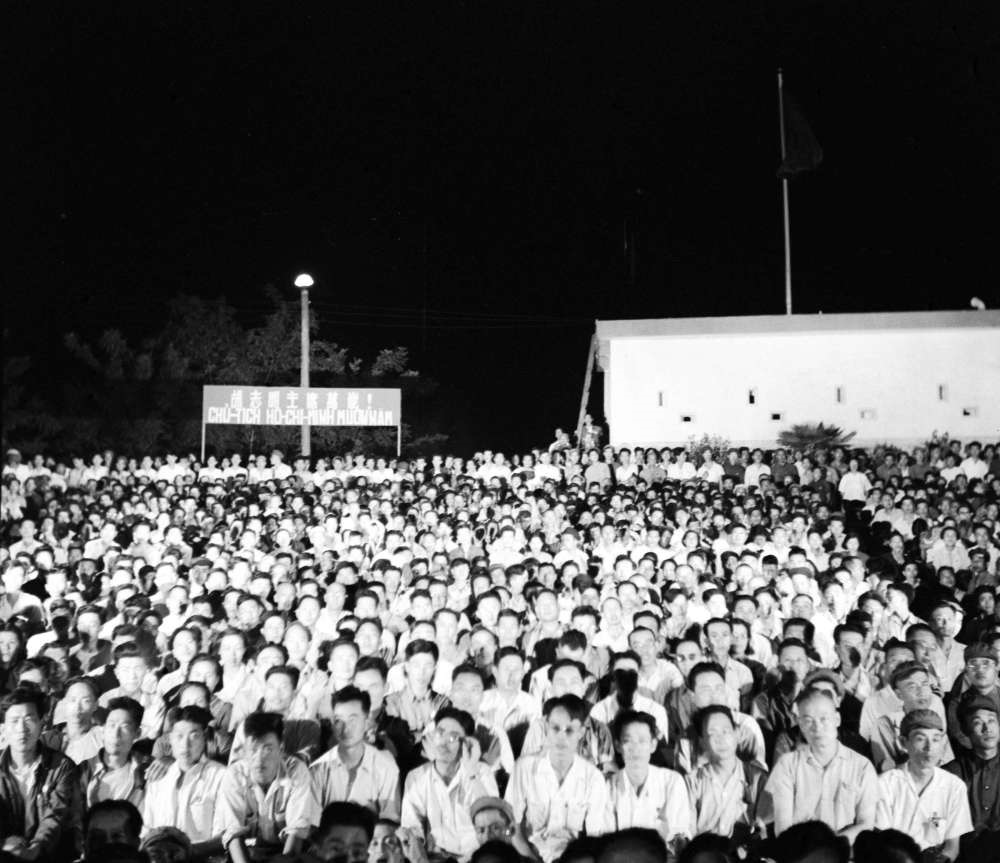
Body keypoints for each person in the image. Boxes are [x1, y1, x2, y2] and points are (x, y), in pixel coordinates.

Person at [504, 695, 610, 863]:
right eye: (555, 728)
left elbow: (595, 838)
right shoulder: (524, 768)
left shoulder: (593, 778)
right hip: (529, 856)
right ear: (546, 727)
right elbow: (511, 827)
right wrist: (532, 859)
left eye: (569, 730)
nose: (561, 737)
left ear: (581, 733)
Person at [764, 688, 878, 843]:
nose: (817, 727)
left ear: (837, 719)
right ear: (800, 724)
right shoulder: (787, 765)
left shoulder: (862, 766)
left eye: (824, 719)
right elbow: (782, 828)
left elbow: (865, 824)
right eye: (808, 720)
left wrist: (831, 846)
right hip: (799, 850)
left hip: (845, 850)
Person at [215, 712, 319, 862]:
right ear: (244, 751)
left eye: (268, 749)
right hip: (246, 853)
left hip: (285, 855)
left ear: (281, 749)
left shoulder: (297, 771)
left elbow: (296, 831)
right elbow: (233, 834)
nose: (259, 759)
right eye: (253, 750)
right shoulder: (234, 775)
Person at [400, 706, 498, 860]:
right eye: (440, 733)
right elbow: (411, 828)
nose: (443, 743)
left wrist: (471, 772)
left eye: (453, 738)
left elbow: (491, 822)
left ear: (466, 743)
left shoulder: (481, 772)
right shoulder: (417, 776)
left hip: (477, 856)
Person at [874, 708, 971, 861]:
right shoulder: (885, 784)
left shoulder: (954, 786)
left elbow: (952, 848)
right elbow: (883, 843)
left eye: (936, 739)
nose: (929, 747)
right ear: (903, 742)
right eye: (920, 739)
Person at [0, 684, 80, 861]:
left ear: (42, 723)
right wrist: (5, 845)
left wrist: (36, 848)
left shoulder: (61, 766)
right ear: (3, 727)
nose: (22, 728)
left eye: (29, 719)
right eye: (14, 721)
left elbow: (56, 815)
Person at [141, 705, 225, 857]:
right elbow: (147, 828)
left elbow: (223, 834)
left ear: (205, 737)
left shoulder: (220, 776)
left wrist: (186, 854)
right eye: (179, 736)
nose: (185, 745)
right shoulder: (158, 777)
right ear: (170, 738)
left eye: (194, 736)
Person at [605, 710, 691, 851]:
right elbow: (604, 838)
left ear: (653, 745)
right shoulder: (608, 787)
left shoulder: (672, 782)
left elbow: (679, 832)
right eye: (627, 741)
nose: (635, 748)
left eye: (642, 741)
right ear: (618, 746)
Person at [310, 685, 401, 818]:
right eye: (339, 720)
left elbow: (390, 821)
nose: (346, 729)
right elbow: (312, 823)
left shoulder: (386, 767)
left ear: (366, 721)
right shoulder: (318, 770)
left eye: (353, 720)